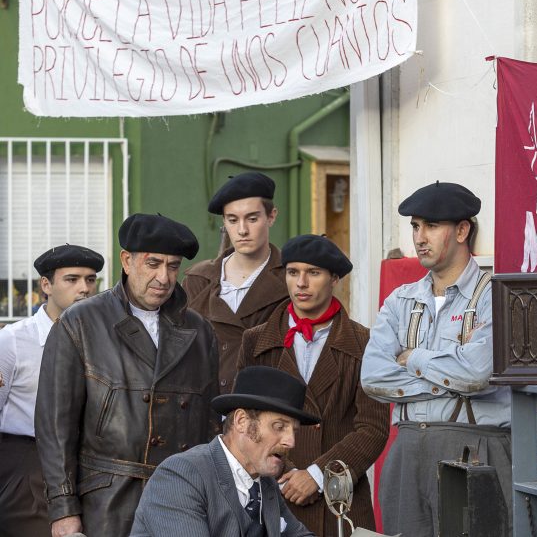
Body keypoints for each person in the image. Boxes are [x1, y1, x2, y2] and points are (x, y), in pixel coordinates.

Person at [35, 214, 220, 537]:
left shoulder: (200, 332)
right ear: (126, 261)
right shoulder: (81, 322)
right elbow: (55, 426)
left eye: (173, 266)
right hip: (106, 501)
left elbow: (211, 425)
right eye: (153, 263)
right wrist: (63, 509)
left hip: (181, 501)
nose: (164, 277)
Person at [361, 182, 512, 537]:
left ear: (462, 230)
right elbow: (372, 377)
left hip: (475, 446)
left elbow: (477, 373)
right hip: (407, 447)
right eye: (415, 226)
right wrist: (452, 380)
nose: (419, 237)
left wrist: (412, 358)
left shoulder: (496, 295)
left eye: (431, 225)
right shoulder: (400, 300)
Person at [237, 234, 390, 536]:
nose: (301, 283)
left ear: (334, 279)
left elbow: (373, 428)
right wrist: (286, 472)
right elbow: (242, 421)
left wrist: (318, 475)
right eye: (293, 272)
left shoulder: (365, 343)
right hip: (272, 493)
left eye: (313, 273)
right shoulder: (256, 341)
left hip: (339, 502)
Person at [131, 365, 318, 537]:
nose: (291, 442)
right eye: (279, 427)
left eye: (294, 431)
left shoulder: (265, 483)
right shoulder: (180, 476)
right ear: (241, 421)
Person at [0, 244, 104, 537]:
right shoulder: (13, 341)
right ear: (46, 285)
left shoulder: (102, 340)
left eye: (90, 279)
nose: (84, 288)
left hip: (88, 464)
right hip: (25, 465)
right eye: (72, 279)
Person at [183, 171, 288, 396]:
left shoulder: (291, 280)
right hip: (202, 406)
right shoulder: (198, 280)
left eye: (252, 218)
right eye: (232, 220)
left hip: (263, 405)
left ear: (271, 216)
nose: (242, 230)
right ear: (224, 222)